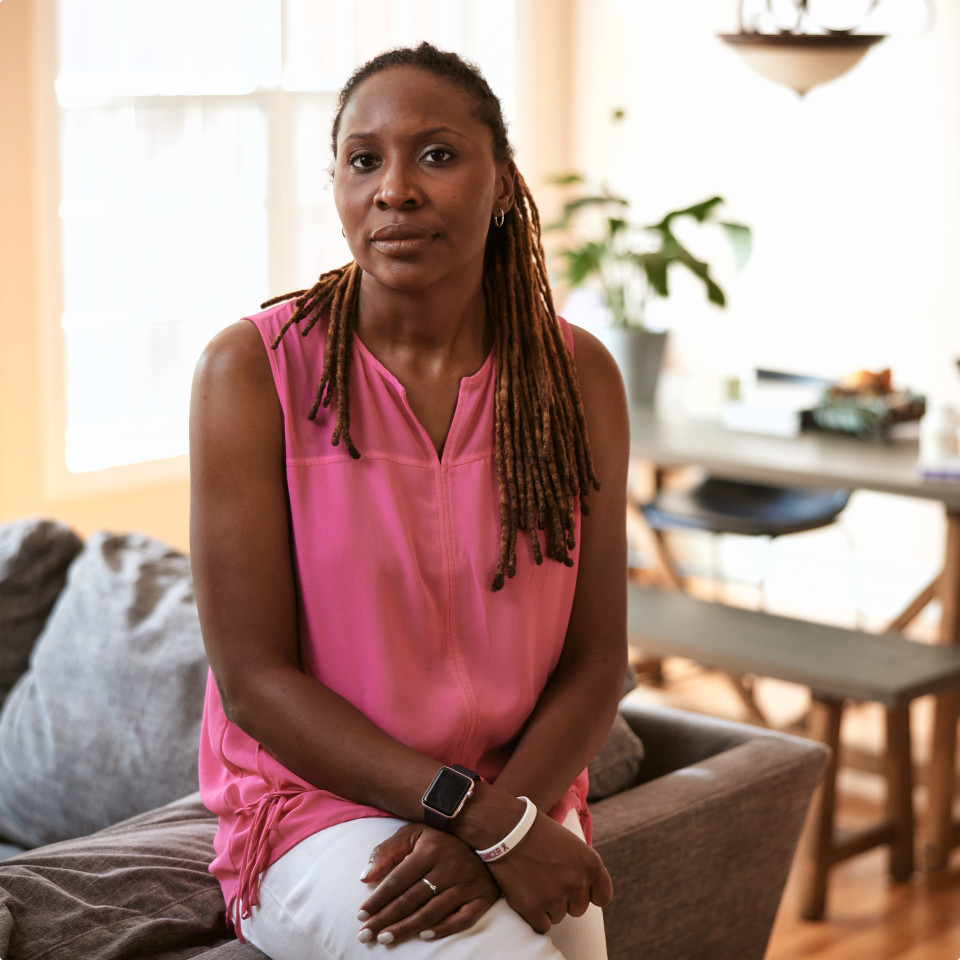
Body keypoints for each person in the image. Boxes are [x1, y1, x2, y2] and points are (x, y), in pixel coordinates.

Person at [189, 41, 629, 960]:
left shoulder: (575, 376)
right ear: (340, 186)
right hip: (317, 807)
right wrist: (479, 821)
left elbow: (596, 660)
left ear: (502, 182)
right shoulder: (252, 373)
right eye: (364, 160)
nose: (395, 188)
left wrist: (503, 820)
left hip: (524, 789)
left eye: (436, 153)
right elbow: (254, 682)